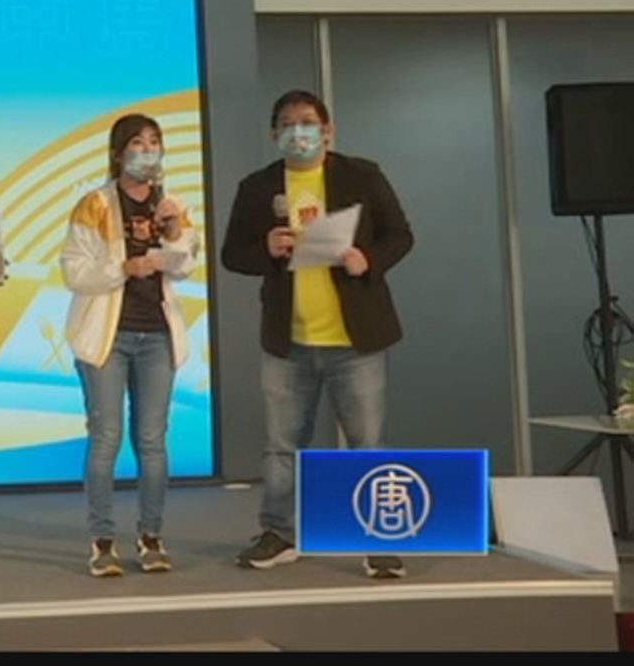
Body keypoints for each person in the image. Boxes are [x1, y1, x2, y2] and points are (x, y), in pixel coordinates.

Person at [221, 90, 414, 580]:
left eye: (307, 122)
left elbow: (400, 234)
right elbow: (232, 254)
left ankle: (379, 539)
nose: (298, 132)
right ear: (274, 134)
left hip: (356, 339)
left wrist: (368, 259)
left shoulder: (362, 176)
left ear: (328, 130)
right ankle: (279, 533)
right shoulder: (257, 187)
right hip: (288, 341)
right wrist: (265, 248)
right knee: (281, 446)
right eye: (287, 124)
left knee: (368, 442)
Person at [59, 114, 199, 578]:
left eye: (154, 142)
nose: (147, 151)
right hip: (108, 336)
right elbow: (75, 271)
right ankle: (102, 541)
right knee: (106, 438)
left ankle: (151, 537)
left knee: (152, 440)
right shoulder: (95, 204)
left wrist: (174, 233)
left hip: (157, 334)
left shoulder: (172, 205)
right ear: (119, 153)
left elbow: (185, 267)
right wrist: (124, 268)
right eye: (138, 143)